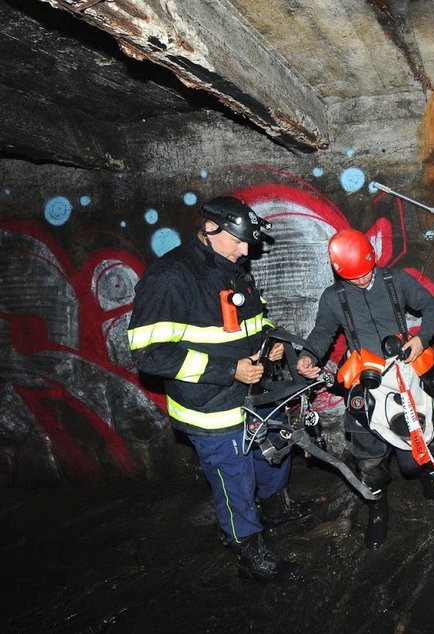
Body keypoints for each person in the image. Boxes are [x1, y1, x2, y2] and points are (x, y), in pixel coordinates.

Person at [127, 195, 308, 583]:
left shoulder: (233, 269)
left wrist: (270, 340)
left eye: (248, 242)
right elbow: (149, 355)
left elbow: (255, 319)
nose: (246, 251)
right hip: (209, 406)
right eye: (238, 241)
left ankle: (277, 508)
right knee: (234, 478)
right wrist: (229, 370)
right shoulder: (170, 277)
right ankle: (249, 550)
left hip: (253, 391)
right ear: (210, 230)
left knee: (275, 445)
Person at [296, 229, 434, 550]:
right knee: (369, 457)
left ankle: (433, 484)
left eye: (365, 273)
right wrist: (308, 355)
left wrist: (421, 338)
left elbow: (430, 307)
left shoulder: (395, 281)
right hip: (366, 380)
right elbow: (322, 333)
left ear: (373, 258)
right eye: (353, 277)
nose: (361, 281)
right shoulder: (335, 297)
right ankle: (376, 508)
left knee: (430, 442)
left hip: (405, 373)